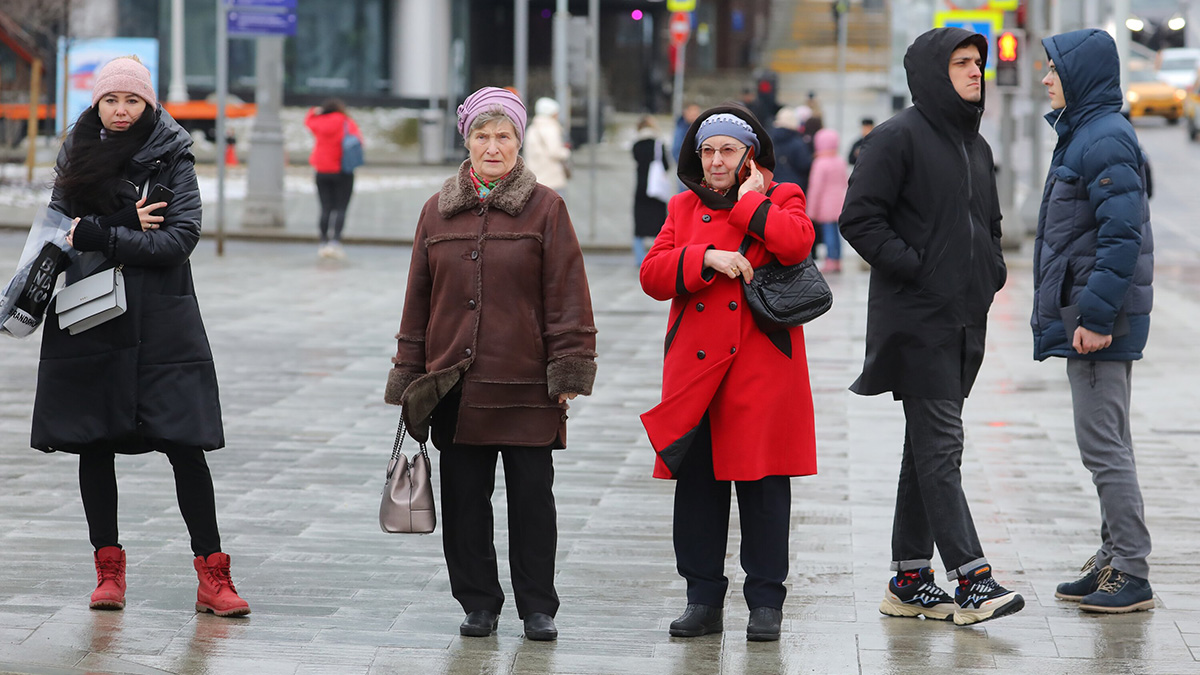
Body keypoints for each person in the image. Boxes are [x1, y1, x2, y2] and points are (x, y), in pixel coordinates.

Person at [32, 55, 249, 618]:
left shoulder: (174, 157)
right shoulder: (75, 153)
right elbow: (59, 232)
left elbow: (179, 240)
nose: (122, 110)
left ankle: (214, 575)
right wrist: (123, 225)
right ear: (97, 104)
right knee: (94, 441)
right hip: (92, 316)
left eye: (132, 100)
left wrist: (103, 231)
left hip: (162, 325)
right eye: (111, 100)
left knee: (185, 445)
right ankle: (108, 570)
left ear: (149, 102)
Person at [384, 86, 597, 642]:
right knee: (464, 503)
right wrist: (408, 373)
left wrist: (569, 367)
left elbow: (567, 292)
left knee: (532, 500)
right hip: (454, 385)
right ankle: (478, 601)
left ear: (519, 140)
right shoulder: (437, 211)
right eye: (483, 134)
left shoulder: (546, 207)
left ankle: (537, 606)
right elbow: (417, 300)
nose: (493, 145)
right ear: (467, 139)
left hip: (527, 384)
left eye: (504, 135)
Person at [838, 27, 1023, 626]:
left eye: (979, 63)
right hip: (916, 322)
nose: (976, 73)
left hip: (964, 322)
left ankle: (910, 577)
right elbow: (859, 220)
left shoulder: (976, 145)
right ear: (931, 72)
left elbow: (989, 225)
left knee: (925, 448)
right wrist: (919, 270)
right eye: (962, 64)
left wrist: (989, 274)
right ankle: (972, 579)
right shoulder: (895, 139)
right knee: (942, 446)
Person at [639, 104, 817, 642]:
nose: (716, 160)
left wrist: (751, 206)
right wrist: (705, 258)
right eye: (708, 150)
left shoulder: (781, 196)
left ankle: (766, 604)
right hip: (697, 375)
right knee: (697, 492)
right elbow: (652, 274)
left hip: (760, 371)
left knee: (764, 491)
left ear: (749, 156)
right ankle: (702, 600)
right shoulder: (681, 207)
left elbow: (796, 243)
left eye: (728, 150)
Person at [1036, 29, 1155, 614]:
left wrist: (1096, 316)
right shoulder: (1088, 133)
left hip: (1097, 319)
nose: (1044, 78)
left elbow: (1121, 236)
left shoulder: (1102, 137)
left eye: (1052, 69)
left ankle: (1132, 568)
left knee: (1102, 446)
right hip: (1092, 312)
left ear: (1077, 74)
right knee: (1111, 442)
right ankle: (1113, 557)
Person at [305, 98, 362, 259]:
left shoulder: (319, 122)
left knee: (325, 207)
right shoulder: (346, 122)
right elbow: (358, 140)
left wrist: (314, 111)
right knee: (341, 207)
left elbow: (308, 122)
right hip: (342, 170)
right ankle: (335, 241)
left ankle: (323, 241)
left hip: (322, 171)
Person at [806, 128, 848, 273]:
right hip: (840, 201)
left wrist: (811, 210)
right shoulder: (839, 160)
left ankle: (830, 260)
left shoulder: (820, 163)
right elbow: (845, 182)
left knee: (828, 231)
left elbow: (815, 187)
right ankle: (838, 260)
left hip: (825, 203)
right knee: (837, 232)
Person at [631, 115, 670, 265]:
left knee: (639, 225)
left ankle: (639, 259)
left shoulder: (636, 145)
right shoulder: (658, 144)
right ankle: (657, 256)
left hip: (640, 188)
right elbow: (666, 165)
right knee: (659, 224)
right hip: (656, 190)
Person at [523, 97, 571, 192]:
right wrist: (566, 152)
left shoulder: (532, 129)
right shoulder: (551, 128)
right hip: (552, 180)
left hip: (535, 178)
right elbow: (555, 152)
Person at [768, 106, 813, 193]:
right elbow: (804, 165)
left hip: (772, 185)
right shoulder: (798, 143)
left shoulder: (769, 140)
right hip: (793, 188)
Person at [673, 103, 702, 191]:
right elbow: (676, 150)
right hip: (687, 169)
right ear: (686, 113)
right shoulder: (681, 129)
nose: (695, 115)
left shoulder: (700, 128)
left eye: (696, 112)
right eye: (692, 112)